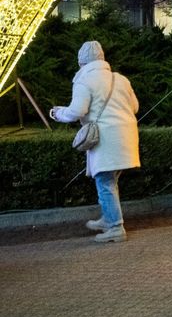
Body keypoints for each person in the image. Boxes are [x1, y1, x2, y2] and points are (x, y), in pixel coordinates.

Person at [50, 41, 140, 243]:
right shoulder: (121, 79)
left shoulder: (85, 81)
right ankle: (108, 218)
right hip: (127, 136)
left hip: (105, 139)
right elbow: (134, 107)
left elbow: (77, 111)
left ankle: (115, 227)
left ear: (82, 61)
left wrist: (57, 113)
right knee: (109, 180)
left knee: (105, 181)